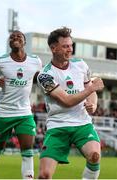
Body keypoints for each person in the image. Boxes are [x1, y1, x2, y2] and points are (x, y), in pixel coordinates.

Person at [37, 27, 104, 179]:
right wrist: (91, 89)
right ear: (53, 48)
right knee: (44, 175)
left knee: (94, 155)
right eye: (65, 46)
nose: (70, 49)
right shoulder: (44, 75)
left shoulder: (81, 65)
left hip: (82, 123)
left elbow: (90, 90)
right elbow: (66, 101)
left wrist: (93, 104)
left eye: (71, 45)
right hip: (58, 126)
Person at [0, 30, 42, 179]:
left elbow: (41, 77)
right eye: (12, 36)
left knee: (28, 151)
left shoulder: (35, 61)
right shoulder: (0, 61)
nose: (15, 37)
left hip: (25, 114)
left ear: (24, 42)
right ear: (9, 43)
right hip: (4, 113)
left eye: (19, 36)